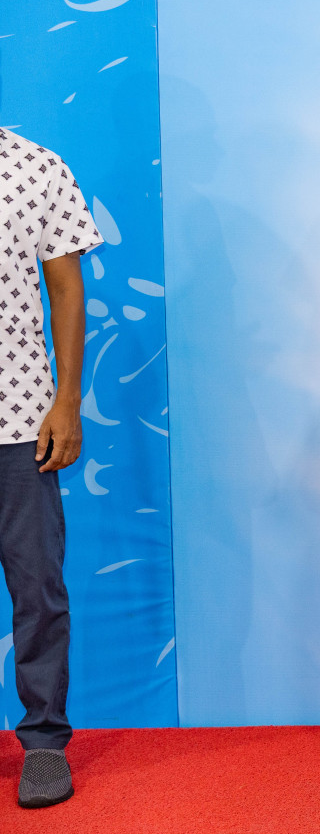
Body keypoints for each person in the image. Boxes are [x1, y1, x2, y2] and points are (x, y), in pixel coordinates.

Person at [0, 128, 102, 809]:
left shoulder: (35, 165)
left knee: (38, 585)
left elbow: (66, 288)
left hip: (18, 415)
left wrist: (67, 400)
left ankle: (43, 743)